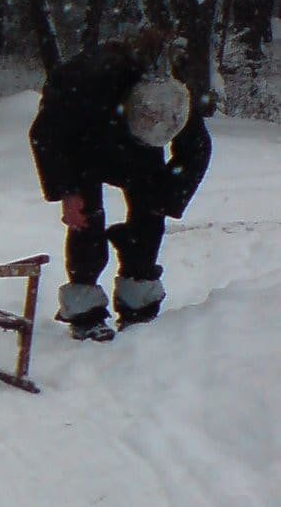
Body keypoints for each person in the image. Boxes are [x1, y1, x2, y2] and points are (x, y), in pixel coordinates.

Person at [29, 31, 211, 341]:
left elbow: (195, 150)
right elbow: (46, 135)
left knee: (149, 220)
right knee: (86, 221)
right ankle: (84, 309)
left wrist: (168, 197)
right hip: (84, 146)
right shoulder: (87, 82)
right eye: (148, 116)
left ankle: (138, 301)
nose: (156, 118)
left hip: (141, 153)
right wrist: (69, 191)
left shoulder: (176, 96)